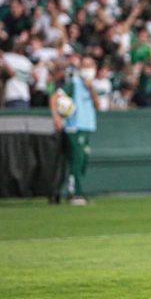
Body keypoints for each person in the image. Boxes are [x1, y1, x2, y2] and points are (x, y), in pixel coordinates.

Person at [49, 57, 99, 206]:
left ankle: (76, 190)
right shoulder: (73, 84)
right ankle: (74, 193)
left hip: (87, 126)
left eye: (90, 65)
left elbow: (97, 105)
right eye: (84, 65)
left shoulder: (91, 86)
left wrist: (90, 88)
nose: (87, 69)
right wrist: (56, 117)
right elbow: (54, 98)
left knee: (83, 160)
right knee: (76, 161)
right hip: (74, 127)